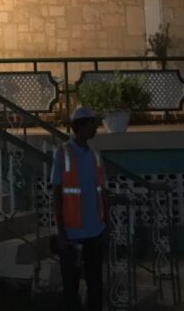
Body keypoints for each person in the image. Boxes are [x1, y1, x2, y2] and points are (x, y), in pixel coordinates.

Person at [51, 105, 106, 311]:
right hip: (72, 232)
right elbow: (56, 194)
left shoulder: (95, 155)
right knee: (71, 287)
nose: (96, 127)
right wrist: (61, 232)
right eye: (93, 123)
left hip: (95, 230)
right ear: (81, 126)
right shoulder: (63, 154)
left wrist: (104, 222)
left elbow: (101, 191)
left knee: (95, 285)